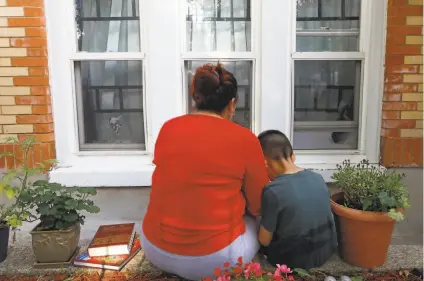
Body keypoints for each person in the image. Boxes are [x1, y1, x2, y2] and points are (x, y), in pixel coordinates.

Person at [141, 63, 269, 281]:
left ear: (195, 98)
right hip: (215, 259)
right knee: (259, 221)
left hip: (155, 248)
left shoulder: (169, 128)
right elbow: (259, 205)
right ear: (232, 103)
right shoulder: (245, 139)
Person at [257, 130, 337, 269]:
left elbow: (264, 241)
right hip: (326, 252)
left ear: (264, 163)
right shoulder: (318, 178)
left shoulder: (272, 190)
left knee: (255, 221)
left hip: (290, 260)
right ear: (293, 156)